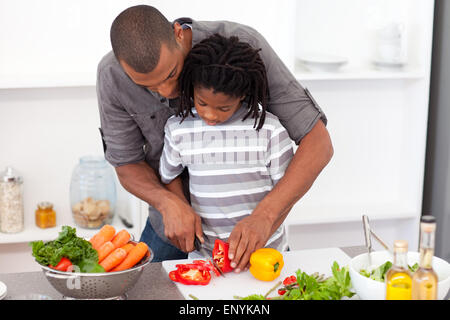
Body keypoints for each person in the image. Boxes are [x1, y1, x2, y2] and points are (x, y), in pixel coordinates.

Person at [97, 5, 333, 271]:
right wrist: (168, 202)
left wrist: (265, 216)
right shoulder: (112, 76)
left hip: (254, 234)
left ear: (177, 33)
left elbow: (318, 143)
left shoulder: (242, 46)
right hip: (169, 228)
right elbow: (126, 164)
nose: (168, 90)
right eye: (148, 86)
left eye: (172, 73)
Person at [159, 34, 293, 264]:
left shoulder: (269, 130)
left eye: (224, 107)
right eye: (202, 103)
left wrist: (263, 229)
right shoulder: (178, 129)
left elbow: (287, 194)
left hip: (267, 255)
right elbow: (168, 176)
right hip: (205, 259)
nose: (211, 115)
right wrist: (181, 207)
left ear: (242, 95)